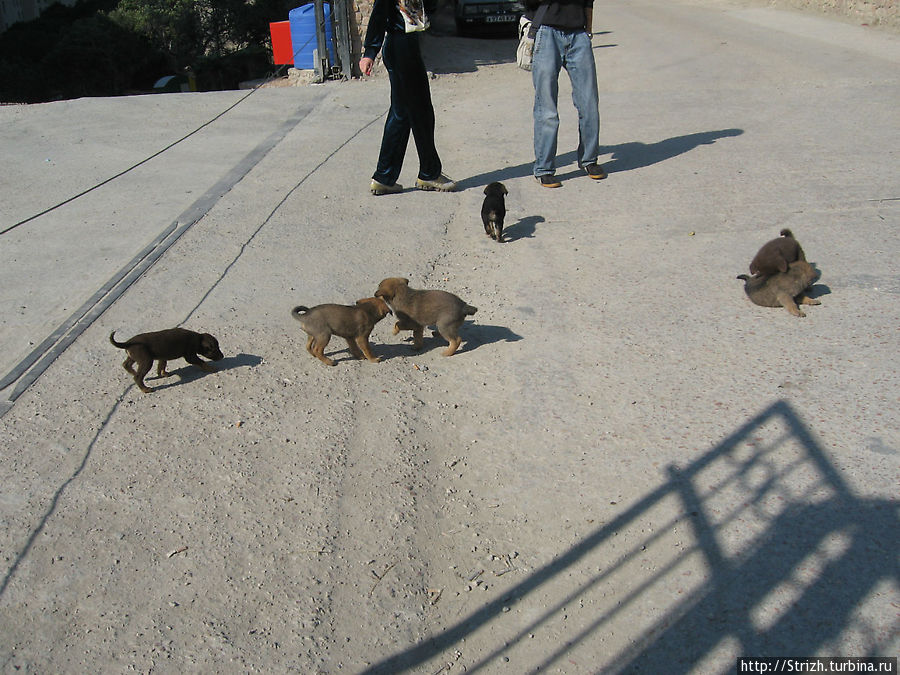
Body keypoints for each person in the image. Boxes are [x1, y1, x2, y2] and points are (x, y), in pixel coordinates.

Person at [359, 0, 457, 195]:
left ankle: (384, 177)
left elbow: (428, 9)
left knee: (402, 113)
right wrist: (370, 51)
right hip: (400, 47)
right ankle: (429, 174)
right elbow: (380, 12)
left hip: (407, 46)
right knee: (421, 113)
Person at [526, 0, 606, 188]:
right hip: (547, 32)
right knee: (547, 108)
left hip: (579, 34)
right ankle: (544, 168)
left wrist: (589, 29)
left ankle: (589, 160)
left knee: (589, 102)